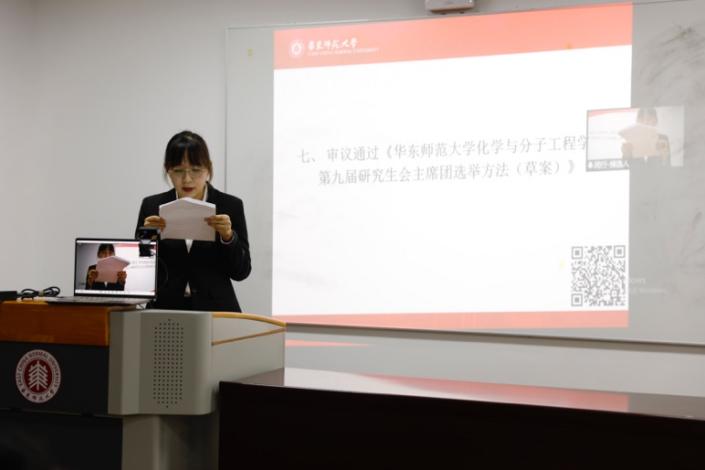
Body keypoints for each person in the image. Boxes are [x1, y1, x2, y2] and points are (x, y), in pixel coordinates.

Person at [135, 130, 251, 311]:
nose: (187, 179)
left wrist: (228, 237)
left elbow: (241, 272)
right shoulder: (152, 206)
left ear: (208, 169)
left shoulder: (229, 205)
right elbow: (140, 273)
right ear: (168, 170)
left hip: (216, 309)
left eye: (196, 170)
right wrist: (147, 239)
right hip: (166, 308)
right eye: (178, 171)